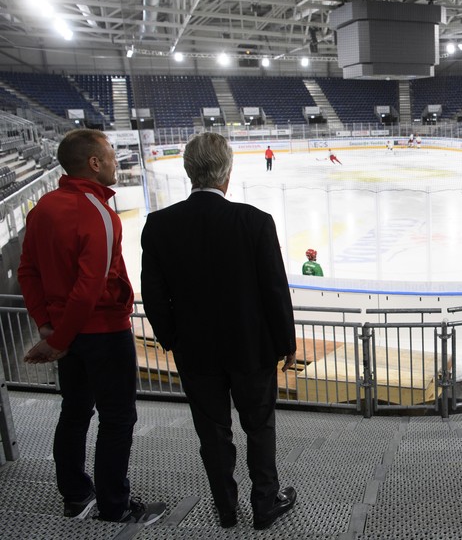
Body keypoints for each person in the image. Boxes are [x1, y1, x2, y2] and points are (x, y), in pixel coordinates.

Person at [140, 132, 297, 531]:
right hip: (252, 349)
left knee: (212, 432)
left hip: (196, 353)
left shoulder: (159, 225)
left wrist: (173, 340)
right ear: (226, 173)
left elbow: (154, 297)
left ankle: (226, 509)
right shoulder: (254, 222)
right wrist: (286, 344)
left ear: (189, 172)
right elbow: (275, 291)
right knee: (259, 427)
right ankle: (264, 505)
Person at [18, 129, 166, 526]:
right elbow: (91, 287)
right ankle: (115, 506)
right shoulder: (98, 213)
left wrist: (49, 327)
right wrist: (58, 340)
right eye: (112, 155)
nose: (118, 162)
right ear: (95, 163)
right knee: (117, 419)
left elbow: (27, 271)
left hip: (65, 334)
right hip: (101, 332)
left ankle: (76, 495)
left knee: (75, 411)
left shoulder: (42, 208)